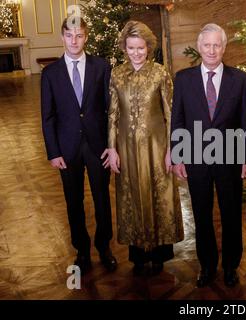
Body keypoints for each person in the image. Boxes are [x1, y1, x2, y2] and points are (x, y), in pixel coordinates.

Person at [171, 23, 246, 288]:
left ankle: (230, 266)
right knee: (201, 214)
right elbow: (178, 120)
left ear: (224, 47)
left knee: (231, 214)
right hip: (196, 159)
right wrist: (178, 155)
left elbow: (245, 121)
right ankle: (207, 266)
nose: (212, 50)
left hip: (229, 158)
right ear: (199, 46)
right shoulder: (183, 79)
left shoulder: (239, 79)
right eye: (207, 44)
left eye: (217, 44)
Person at [103, 21, 184, 276]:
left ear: (148, 47)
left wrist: (174, 149)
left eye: (141, 48)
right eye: (131, 48)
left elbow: (171, 114)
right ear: (124, 48)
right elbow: (113, 114)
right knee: (132, 195)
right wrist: (112, 149)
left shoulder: (160, 73)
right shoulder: (117, 74)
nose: (136, 52)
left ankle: (160, 253)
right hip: (126, 149)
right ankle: (138, 253)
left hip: (157, 146)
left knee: (158, 195)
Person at [41, 17, 117, 274]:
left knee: (102, 199)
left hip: (98, 147)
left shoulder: (101, 66)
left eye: (79, 35)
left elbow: (110, 110)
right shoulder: (50, 73)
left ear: (86, 37)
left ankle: (104, 246)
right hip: (67, 149)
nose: (74, 41)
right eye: (69, 35)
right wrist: (53, 152)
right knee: (73, 201)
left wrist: (111, 144)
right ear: (62, 37)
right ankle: (82, 250)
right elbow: (48, 116)